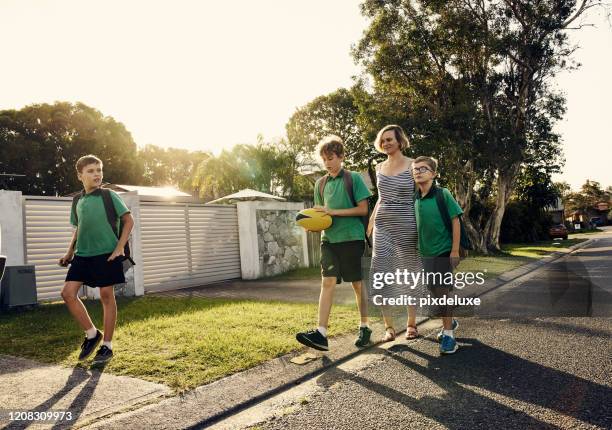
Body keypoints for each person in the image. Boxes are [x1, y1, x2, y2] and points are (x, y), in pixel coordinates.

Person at [296, 136, 372, 351]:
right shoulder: (320, 184)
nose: (327, 163)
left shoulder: (353, 179)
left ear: (341, 157)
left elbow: (363, 209)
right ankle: (321, 333)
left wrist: (333, 211)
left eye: (331, 158)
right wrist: (313, 225)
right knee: (327, 282)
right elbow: (322, 215)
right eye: (324, 159)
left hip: (352, 239)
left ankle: (365, 326)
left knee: (358, 285)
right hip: (328, 241)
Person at [59, 155, 134, 364]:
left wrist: (119, 248)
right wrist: (69, 253)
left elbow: (129, 220)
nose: (97, 174)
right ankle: (92, 334)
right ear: (80, 175)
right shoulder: (78, 201)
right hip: (83, 255)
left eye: (99, 170)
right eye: (91, 171)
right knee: (67, 293)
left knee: (106, 296)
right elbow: (78, 228)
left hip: (107, 253)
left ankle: (107, 346)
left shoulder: (109, 196)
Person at [367, 124, 423, 342]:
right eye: (383, 140)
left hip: (408, 225)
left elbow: (422, 193)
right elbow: (381, 197)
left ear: (400, 141)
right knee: (381, 274)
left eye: (390, 139)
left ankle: (411, 324)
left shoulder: (413, 165)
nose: (386, 143)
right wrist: (371, 221)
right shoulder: (379, 168)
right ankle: (389, 328)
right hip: (383, 226)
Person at [413, 156, 462, 354]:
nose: (418, 171)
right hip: (426, 253)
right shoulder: (415, 198)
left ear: (433, 174)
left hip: (443, 250)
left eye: (423, 169)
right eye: (415, 169)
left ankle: (449, 335)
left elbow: (455, 220)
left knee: (442, 291)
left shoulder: (443, 194)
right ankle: (450, 321)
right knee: (435, 292)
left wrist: (455, 250)